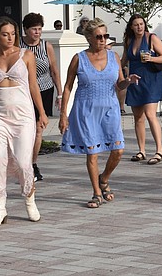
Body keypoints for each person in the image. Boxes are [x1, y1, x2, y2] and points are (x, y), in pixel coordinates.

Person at [59, 18, 139, 208]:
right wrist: (63, 114)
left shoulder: (114, 57)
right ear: (89, 38)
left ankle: (104, 178)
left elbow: (119, 84)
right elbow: (68, 86)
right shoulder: (79, 58)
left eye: (105, 36)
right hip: (86, 110)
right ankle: (96, 193)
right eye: (98, 37)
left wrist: (128, 81)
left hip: (110, 109)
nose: (103, 40)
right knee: (92, 153)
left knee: (118, 150)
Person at [0, 16, 49, 227]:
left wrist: (42, 112)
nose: (10, 38)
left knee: (23, 161)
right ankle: (0, 208)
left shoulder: (26, 55)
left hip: (23, 115)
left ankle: (29, 200)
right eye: (5, 34)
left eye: (12, 34)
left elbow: (33, 86)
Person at [121, 15, 162, 165]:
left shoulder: (151, 38)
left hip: (151, 80)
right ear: (131, 27)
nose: (139, 27)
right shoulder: (129, 41)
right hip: (135, 81)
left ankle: (160, 150)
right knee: (138, 117)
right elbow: (123, 60)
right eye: (136, 25)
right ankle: (141, 150)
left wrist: (151, 58)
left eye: (141, 24)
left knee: (150, 114)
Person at [20, 13, 62, 182]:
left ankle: (33, 164)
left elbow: (54, 71)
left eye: (39, 29)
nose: (37, 32)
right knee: (25, 129)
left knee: (38, 129)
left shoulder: (46, 46)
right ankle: (23, 163)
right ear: (25, 30)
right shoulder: (18, 45)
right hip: (23, 91)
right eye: (34, 29)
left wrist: (60, 94)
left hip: (44, 90)